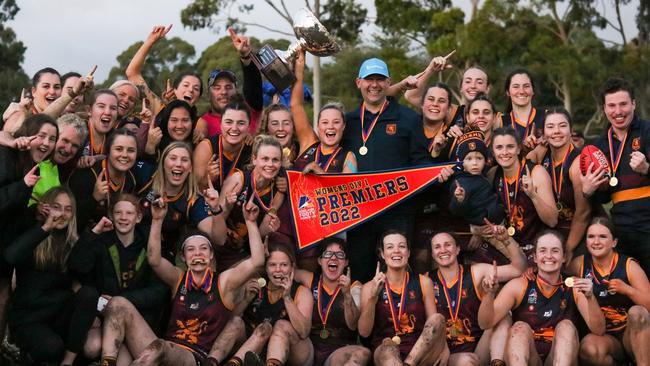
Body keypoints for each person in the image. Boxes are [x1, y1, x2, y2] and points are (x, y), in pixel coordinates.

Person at [99, 189, 265, 365]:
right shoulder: (178, 278)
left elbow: (257, 262)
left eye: (203, 248)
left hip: (193, 358)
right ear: (184, 258)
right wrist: (157, 220)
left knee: (161, 347)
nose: (197, 254)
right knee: (117, 303)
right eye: (191, 250)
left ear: (210, 256)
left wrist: (251, 222)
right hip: (161, 351)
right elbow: (154, 260)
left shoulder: (224, 281)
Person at [342, 58, 430, 282]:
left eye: (380, 80)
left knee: (396, 276)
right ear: (358, 82)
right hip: (358, 215)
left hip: (397, 215)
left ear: (389, 82)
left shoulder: (409, 119)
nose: (374, 85)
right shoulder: (347, 122)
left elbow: (421, 162)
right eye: (369, 79)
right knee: (359, 276)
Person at [477, 230, 606, 366]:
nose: (549, 256)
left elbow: (599, 330)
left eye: (555, 251)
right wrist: (489, 294)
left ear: (564, 257)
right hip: (529, 357)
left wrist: (590, 297)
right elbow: (485, 323)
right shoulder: (519, 285)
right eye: (543, 251)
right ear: (535, 257)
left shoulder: (575, 285)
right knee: (520, 327)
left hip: (561, 357)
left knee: (566, 327)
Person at [68, 193, 167, 362]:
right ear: (111, 216)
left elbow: (160, 291)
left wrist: (120, 302)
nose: (123, 218)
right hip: (105, 317)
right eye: (118, 213)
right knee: (92, 347)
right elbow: (77, 267)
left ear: (138, 217)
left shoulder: (149, 244)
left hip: (137, 319)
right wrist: (93, 233)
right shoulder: (101, 241)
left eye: (129, 213)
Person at [4, 186, 98, 365]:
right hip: (29, 316)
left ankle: (67, 362)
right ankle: (21, 352)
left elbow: (85, 277)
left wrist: (90, 239)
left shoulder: (74, 241)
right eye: (57, 207)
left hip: (58, 313)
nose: (62, 214)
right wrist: (45, 227)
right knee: (52, 348)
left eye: (68, 209)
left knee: (89, 293)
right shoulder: (34, 232)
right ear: (46, 208)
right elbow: (11, 256)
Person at [0, 113, 59, 348]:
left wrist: (35, 211)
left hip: (6, 245)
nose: (46, 143)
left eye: (52, 138)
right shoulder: (5, 156)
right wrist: (22, 186)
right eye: (41, 135)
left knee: (4, 297)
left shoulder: (38, 167)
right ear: (27, 135)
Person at [582, 77, 650, 276]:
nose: (618, 112)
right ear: (604, 108)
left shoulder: (647, 131)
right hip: (621, 231)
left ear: (634, 104)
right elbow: (604, 197)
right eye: (611, 105)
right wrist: (589, 191)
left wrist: (647, 168)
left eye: (623, 104)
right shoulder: (599, 145)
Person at [430, 229, 526, 365]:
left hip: (481, 349)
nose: (443, 250)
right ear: (433, 254)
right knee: (466, 361)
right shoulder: (426, 281)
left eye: (448, 245)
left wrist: (506, 240)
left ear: (457, 249)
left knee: (502, 316)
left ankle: (497, 362)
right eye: (437, 247)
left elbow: (518, 269)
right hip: (447, 354)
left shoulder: (477, 272)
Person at [566, 217, 650, 365]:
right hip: (604, 337)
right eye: (591, 236)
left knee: (638, 313)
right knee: (590, 348)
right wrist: (532, 271)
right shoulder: (579, 264)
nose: (596, 241)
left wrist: (628, 290)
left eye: (603, 237)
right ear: (586, 241)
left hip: (631, 334)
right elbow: (557, 276)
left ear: (614, 242)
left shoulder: (628, 265)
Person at [358, 230, 449, 366]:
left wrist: (444, 347)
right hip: (384, 349)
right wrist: (373, 297)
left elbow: (434, 325)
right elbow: (364, 333)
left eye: (401, 246)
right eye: (390, 247)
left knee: (437, 318)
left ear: (408, 252)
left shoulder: (423, 282)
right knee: (388, 348)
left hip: (419, 350)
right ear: (382, 254)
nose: (396, 251)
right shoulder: (369, 287)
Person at [137, 141, 225, 262]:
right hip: (128, 247)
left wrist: (216, 208)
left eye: (184, 160)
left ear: (190, 168)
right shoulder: (146, 174)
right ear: (163, 163)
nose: (178, 164)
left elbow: (219, 239)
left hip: (161, 258)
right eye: (173, 158)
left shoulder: (193, 201)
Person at [229, 243, 314, 366]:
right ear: (266, 268)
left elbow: (304, 331)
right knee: (246, 324)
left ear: (292, 267)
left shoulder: (302, 291)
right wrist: (246, 300)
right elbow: (230, 319)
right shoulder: (257, 285)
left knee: (281, 325)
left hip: (295, 353)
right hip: (258, 346)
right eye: (272, 265)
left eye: (284, 265)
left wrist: (287, 298)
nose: (278, 270)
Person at [483, 127, 557, 265]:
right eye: (499, 147)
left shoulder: (536, 173)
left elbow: (552, 220)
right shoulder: (492, 174)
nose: (504, 152)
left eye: (510, 147)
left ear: (518, 149)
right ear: (493, 152)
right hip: (507, 244)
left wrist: (533, 195)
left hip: (533, 246)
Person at [291, 237, 371, 366]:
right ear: (320, 261)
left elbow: (353, 325)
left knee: (363, 353)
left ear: (345, 262)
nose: (333, 258)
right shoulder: (309, 279)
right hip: (308, 348)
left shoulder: (355, 287)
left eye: (339, 255)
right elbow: (283, 270)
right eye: (328, 254)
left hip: (338, 351)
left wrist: (347, 295)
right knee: (282, 326)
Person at [527, 108, 591, 261]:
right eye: (550, 127)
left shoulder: (577, 163)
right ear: (544, 133)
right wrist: (533, 146)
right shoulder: (543, 153)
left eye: (562, 125)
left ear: (571, 130)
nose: (556, 131)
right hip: (553, 229)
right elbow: (524, 163)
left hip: (580, 230)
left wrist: (568, 249)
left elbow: (583, 214)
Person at [215, 135, 284, 271]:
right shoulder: (238, 179)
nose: (270, 164)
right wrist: (227, 206)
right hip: (220, 246)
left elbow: (259, 233)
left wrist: (269, 229)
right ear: (254, 159)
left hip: (246, 251)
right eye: (265, 159)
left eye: (275, 160)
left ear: (281, 162)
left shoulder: (279, 190)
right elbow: (216, 222)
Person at [69, 129, 141, 230]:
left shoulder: (132, 179)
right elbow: (71, 223)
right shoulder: (87, 175)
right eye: (119, 149)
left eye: (131, 150)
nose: (125, 155)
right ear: (108, 151)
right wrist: (94, 199)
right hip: (82, 239)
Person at [197, 28, 263, 137]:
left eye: (228, 87)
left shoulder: (249, 111)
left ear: (236, 91)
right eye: (217, 88)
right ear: (208, 93)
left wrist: (246, 56)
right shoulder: (201, 124)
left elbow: (253, 85)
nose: (223, 92)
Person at [193, 100, 253, 191]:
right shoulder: (206, 148)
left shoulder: (252, 149)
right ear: (220, 124)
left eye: (241, 123)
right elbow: (194, 191)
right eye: (229, 122)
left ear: (248, 127)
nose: (234, 128)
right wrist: (208, 179)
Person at [3, 67, 62, 133]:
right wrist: (24, 117)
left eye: (57, 87)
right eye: (46, 86)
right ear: (34, 92)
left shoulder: (63, 119)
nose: (52, 91)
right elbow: (7, 137)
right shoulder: (18, 113)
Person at [497, 69, 545, 148]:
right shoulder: (500, 122)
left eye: (526, 86)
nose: (521, 91)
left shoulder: (547, 117)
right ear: (508, 92)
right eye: (516, 87)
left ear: (533, 90)